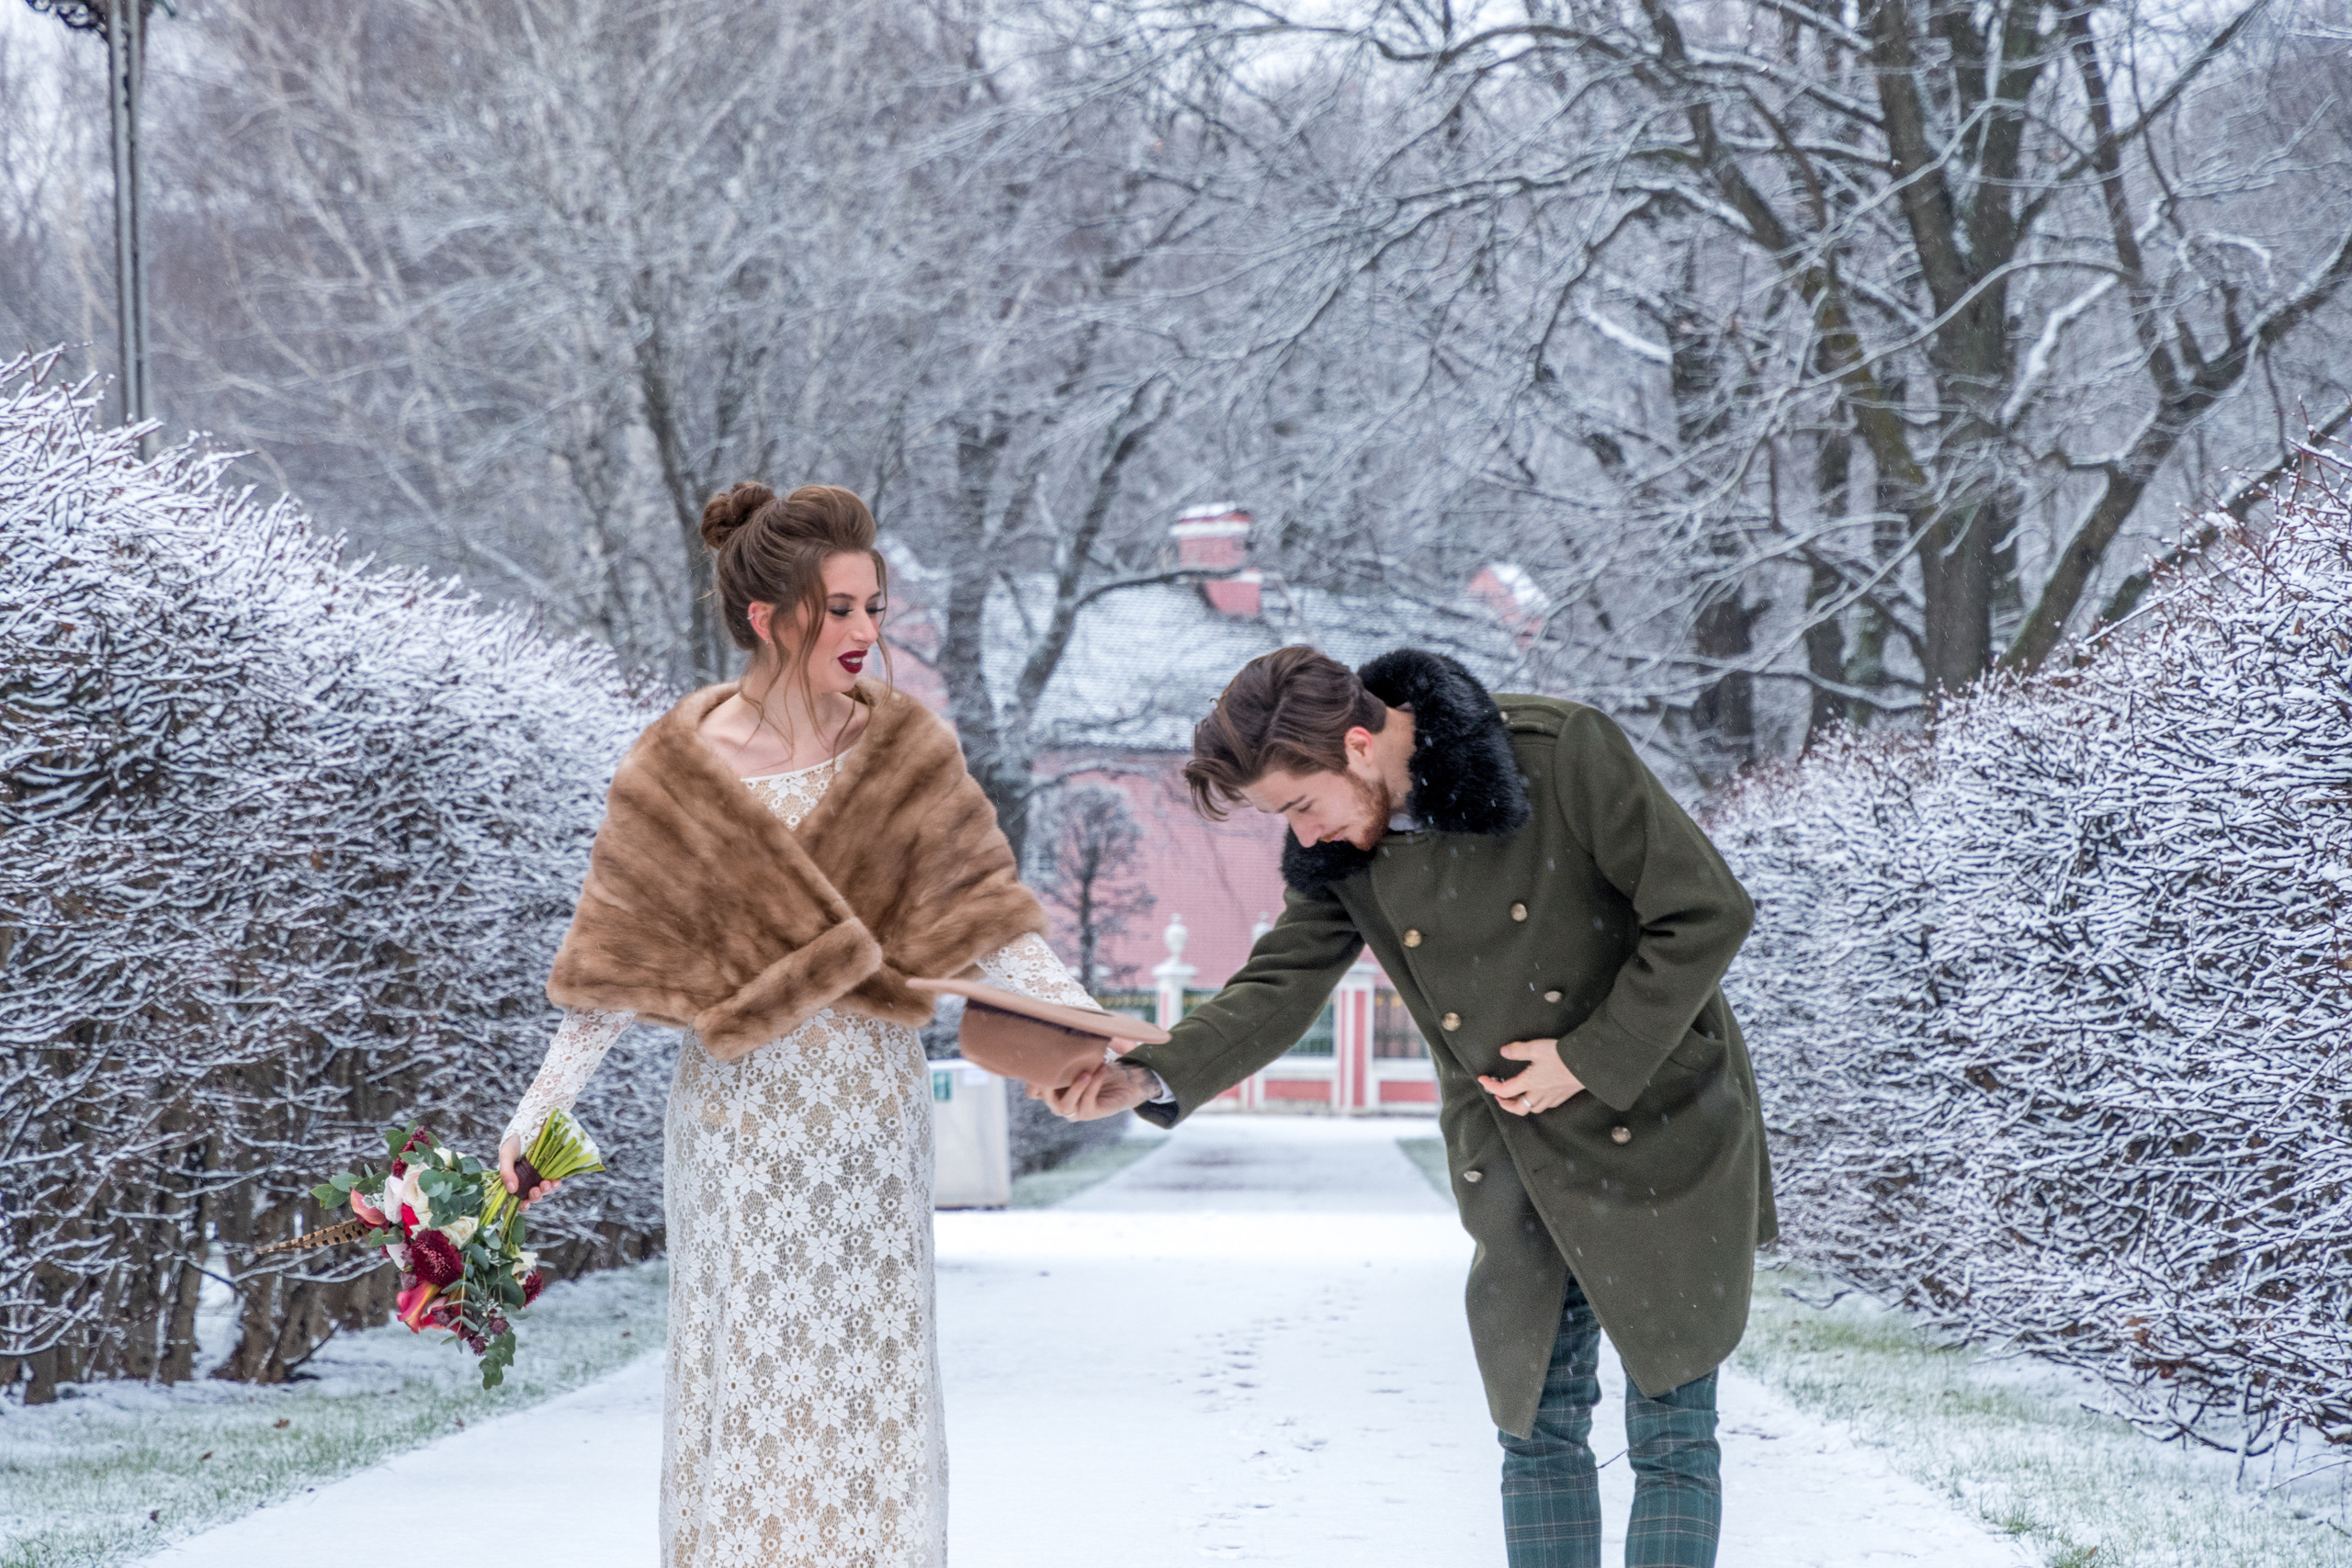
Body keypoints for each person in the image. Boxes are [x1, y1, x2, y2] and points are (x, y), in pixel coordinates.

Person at [1052, 645, 1775, 1568]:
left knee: (1672, 1422)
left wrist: (1587, 1059)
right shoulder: (1343, 851)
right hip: (1512, 1143)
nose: (1303, 836)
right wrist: (1146, 1073)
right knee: (1534, 1423)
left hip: (1659, 1117)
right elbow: (1280, 980)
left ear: (1358, 744)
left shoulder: (1557, 755)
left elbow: (1705, 911)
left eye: (1298, 806)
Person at [497, 482, 1100, 1568]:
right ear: (770, 617)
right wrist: (538, 1117)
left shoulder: (910, 749)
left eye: (875, 606)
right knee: (752, 1385)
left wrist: (1092, 1026)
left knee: (867, 1384)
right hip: (735, 1126)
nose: (868, 632)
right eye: (841, 609)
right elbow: (614, 973)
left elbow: (995, 921)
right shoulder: (673, 768)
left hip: (869, 1115)